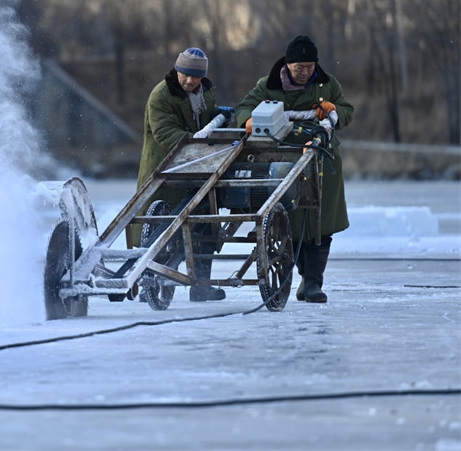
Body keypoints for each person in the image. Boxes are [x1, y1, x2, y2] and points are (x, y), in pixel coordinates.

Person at [234, 35, 354, 303]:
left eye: (310, 66)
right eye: (299, 67)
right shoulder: (268, 86)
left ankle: (312, 283)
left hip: (322, 158)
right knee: (292, 221)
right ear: (288, 65)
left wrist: (335, 111)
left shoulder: (327, 83)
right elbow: (242, 107)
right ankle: (296, 275)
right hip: (283, 158)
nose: (305, 72)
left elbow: (346, 110)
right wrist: (248, 120)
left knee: (321, 224)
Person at [134, 47, 233, 302]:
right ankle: (150, 281)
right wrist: (200, 144)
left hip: (198, 169)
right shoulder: (161, 95)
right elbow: (166, 134)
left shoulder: (206, 92)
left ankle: (201, 285)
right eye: (184, 74)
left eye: (195, 76)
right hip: (166, 170)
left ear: (202, 77)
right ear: (177, 70)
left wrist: (219, 117)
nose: (189, 80)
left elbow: (203, 121)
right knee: (163, 228)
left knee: (205, 225)